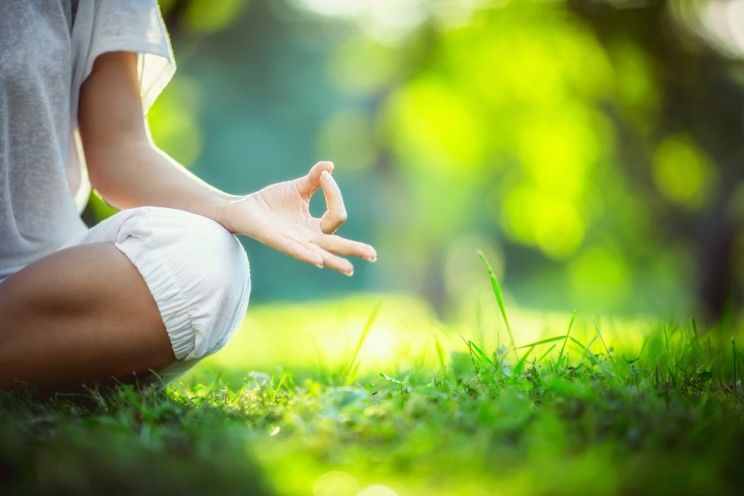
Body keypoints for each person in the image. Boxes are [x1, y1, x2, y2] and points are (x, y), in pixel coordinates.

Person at [0, 0, 377, 390]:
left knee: (206, 262)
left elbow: (119, 150)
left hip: (36, 288)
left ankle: (35, 347)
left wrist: (234, 208)